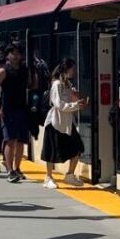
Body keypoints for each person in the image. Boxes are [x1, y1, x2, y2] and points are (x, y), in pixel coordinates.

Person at [0, 43, 35, 183]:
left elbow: (30, 84)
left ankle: (17, 168)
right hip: (8, 109)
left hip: (22, 108)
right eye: (12, 53)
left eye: (17, 53)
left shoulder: (24, 70)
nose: (15, 56)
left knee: (21, 141)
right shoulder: (3, 71)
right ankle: (10, 170)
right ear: (8, 55)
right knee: (10, 140)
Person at [41, 58, 88, 189]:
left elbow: (73, 100)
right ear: (66, 69)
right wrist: (75, 104)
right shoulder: (56, 84)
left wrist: (80, 103)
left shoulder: (68, 84)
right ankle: (48, 177)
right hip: (55, 121)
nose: (75, 71)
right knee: (51, 150)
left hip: (67, 122)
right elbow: (59, 104)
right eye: (73, 68)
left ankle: (70, 174)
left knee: (78, 147)